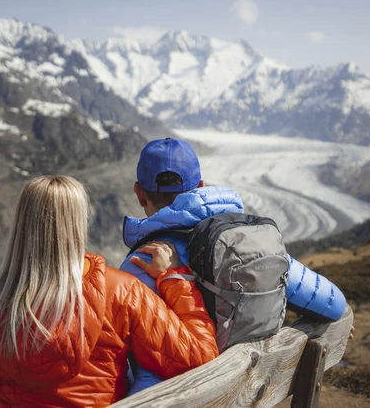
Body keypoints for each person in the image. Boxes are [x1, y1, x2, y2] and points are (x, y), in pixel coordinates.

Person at [120, 138, 351, 395]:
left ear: (139, 193)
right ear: (200, 186)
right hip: (246, 393)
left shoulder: (139, 264)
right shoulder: (246, 242)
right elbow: (334, 304)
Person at [0, 175, 219, 408]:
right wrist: (174, 278)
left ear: (21, 226)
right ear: (78, 223)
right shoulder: (121, 291)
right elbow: (199, 357)